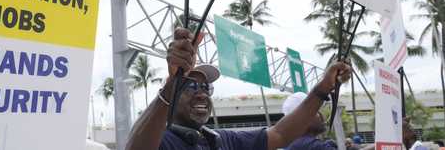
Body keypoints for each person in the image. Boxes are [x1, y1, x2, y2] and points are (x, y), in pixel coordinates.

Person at [125, 28, 353, 150]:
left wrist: (322, 88)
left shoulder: (222, 141)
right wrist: (172, 84)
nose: (202, 92)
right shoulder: (164, 141)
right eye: (191, 85)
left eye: (206, 87)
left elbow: (281, 134)